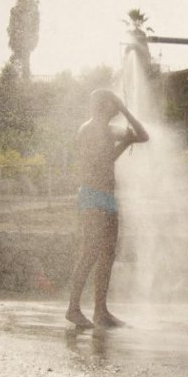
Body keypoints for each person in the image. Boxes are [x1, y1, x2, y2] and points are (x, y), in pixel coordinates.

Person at [66, 89, 149, 328]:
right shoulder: (89, 130)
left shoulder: (108, 129)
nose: (115, 108)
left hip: (107, 197)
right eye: (112, 104)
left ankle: (101, 311)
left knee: (108, 253)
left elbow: (143, 136)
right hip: (92, 196)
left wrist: (125, 110)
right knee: (90, 252)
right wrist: (125, 141)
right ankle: (73, 308)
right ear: (102, 106)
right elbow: (101, 161)